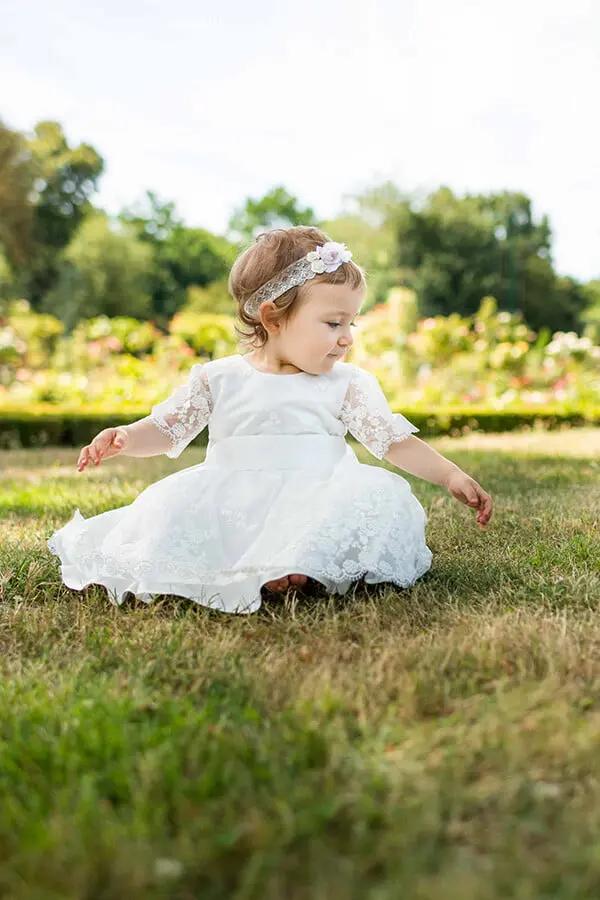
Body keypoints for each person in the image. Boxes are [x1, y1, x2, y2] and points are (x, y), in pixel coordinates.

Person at [47, 226, 493, 615]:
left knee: (374, 501)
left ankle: (299, 565)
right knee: (184, 520)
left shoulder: (346, 383)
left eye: (351, 323)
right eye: (334, 322)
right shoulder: (219, 378)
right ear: (273, 316)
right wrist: (126, 436)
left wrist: (449, 473)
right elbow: (167, 428)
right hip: (234, 495)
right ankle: (275, 569)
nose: (346, 339)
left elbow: (392, 441)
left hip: (319, 491)